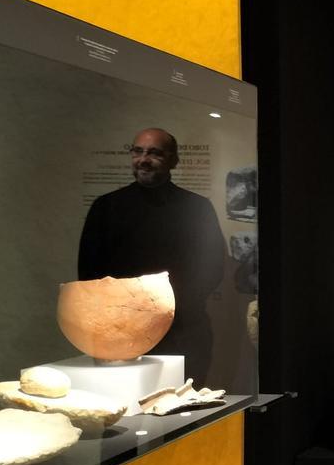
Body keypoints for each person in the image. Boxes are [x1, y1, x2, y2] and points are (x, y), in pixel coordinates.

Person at [78, 127, 226, 383]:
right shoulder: (106, 207)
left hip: (182, 329)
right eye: (138, 151)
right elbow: (90, 273)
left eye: (154, 153)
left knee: (184, 410)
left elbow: (212, 267)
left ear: (173, 160)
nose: (143, 159)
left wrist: (171, 309)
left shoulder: (197, 207)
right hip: (122, 331)